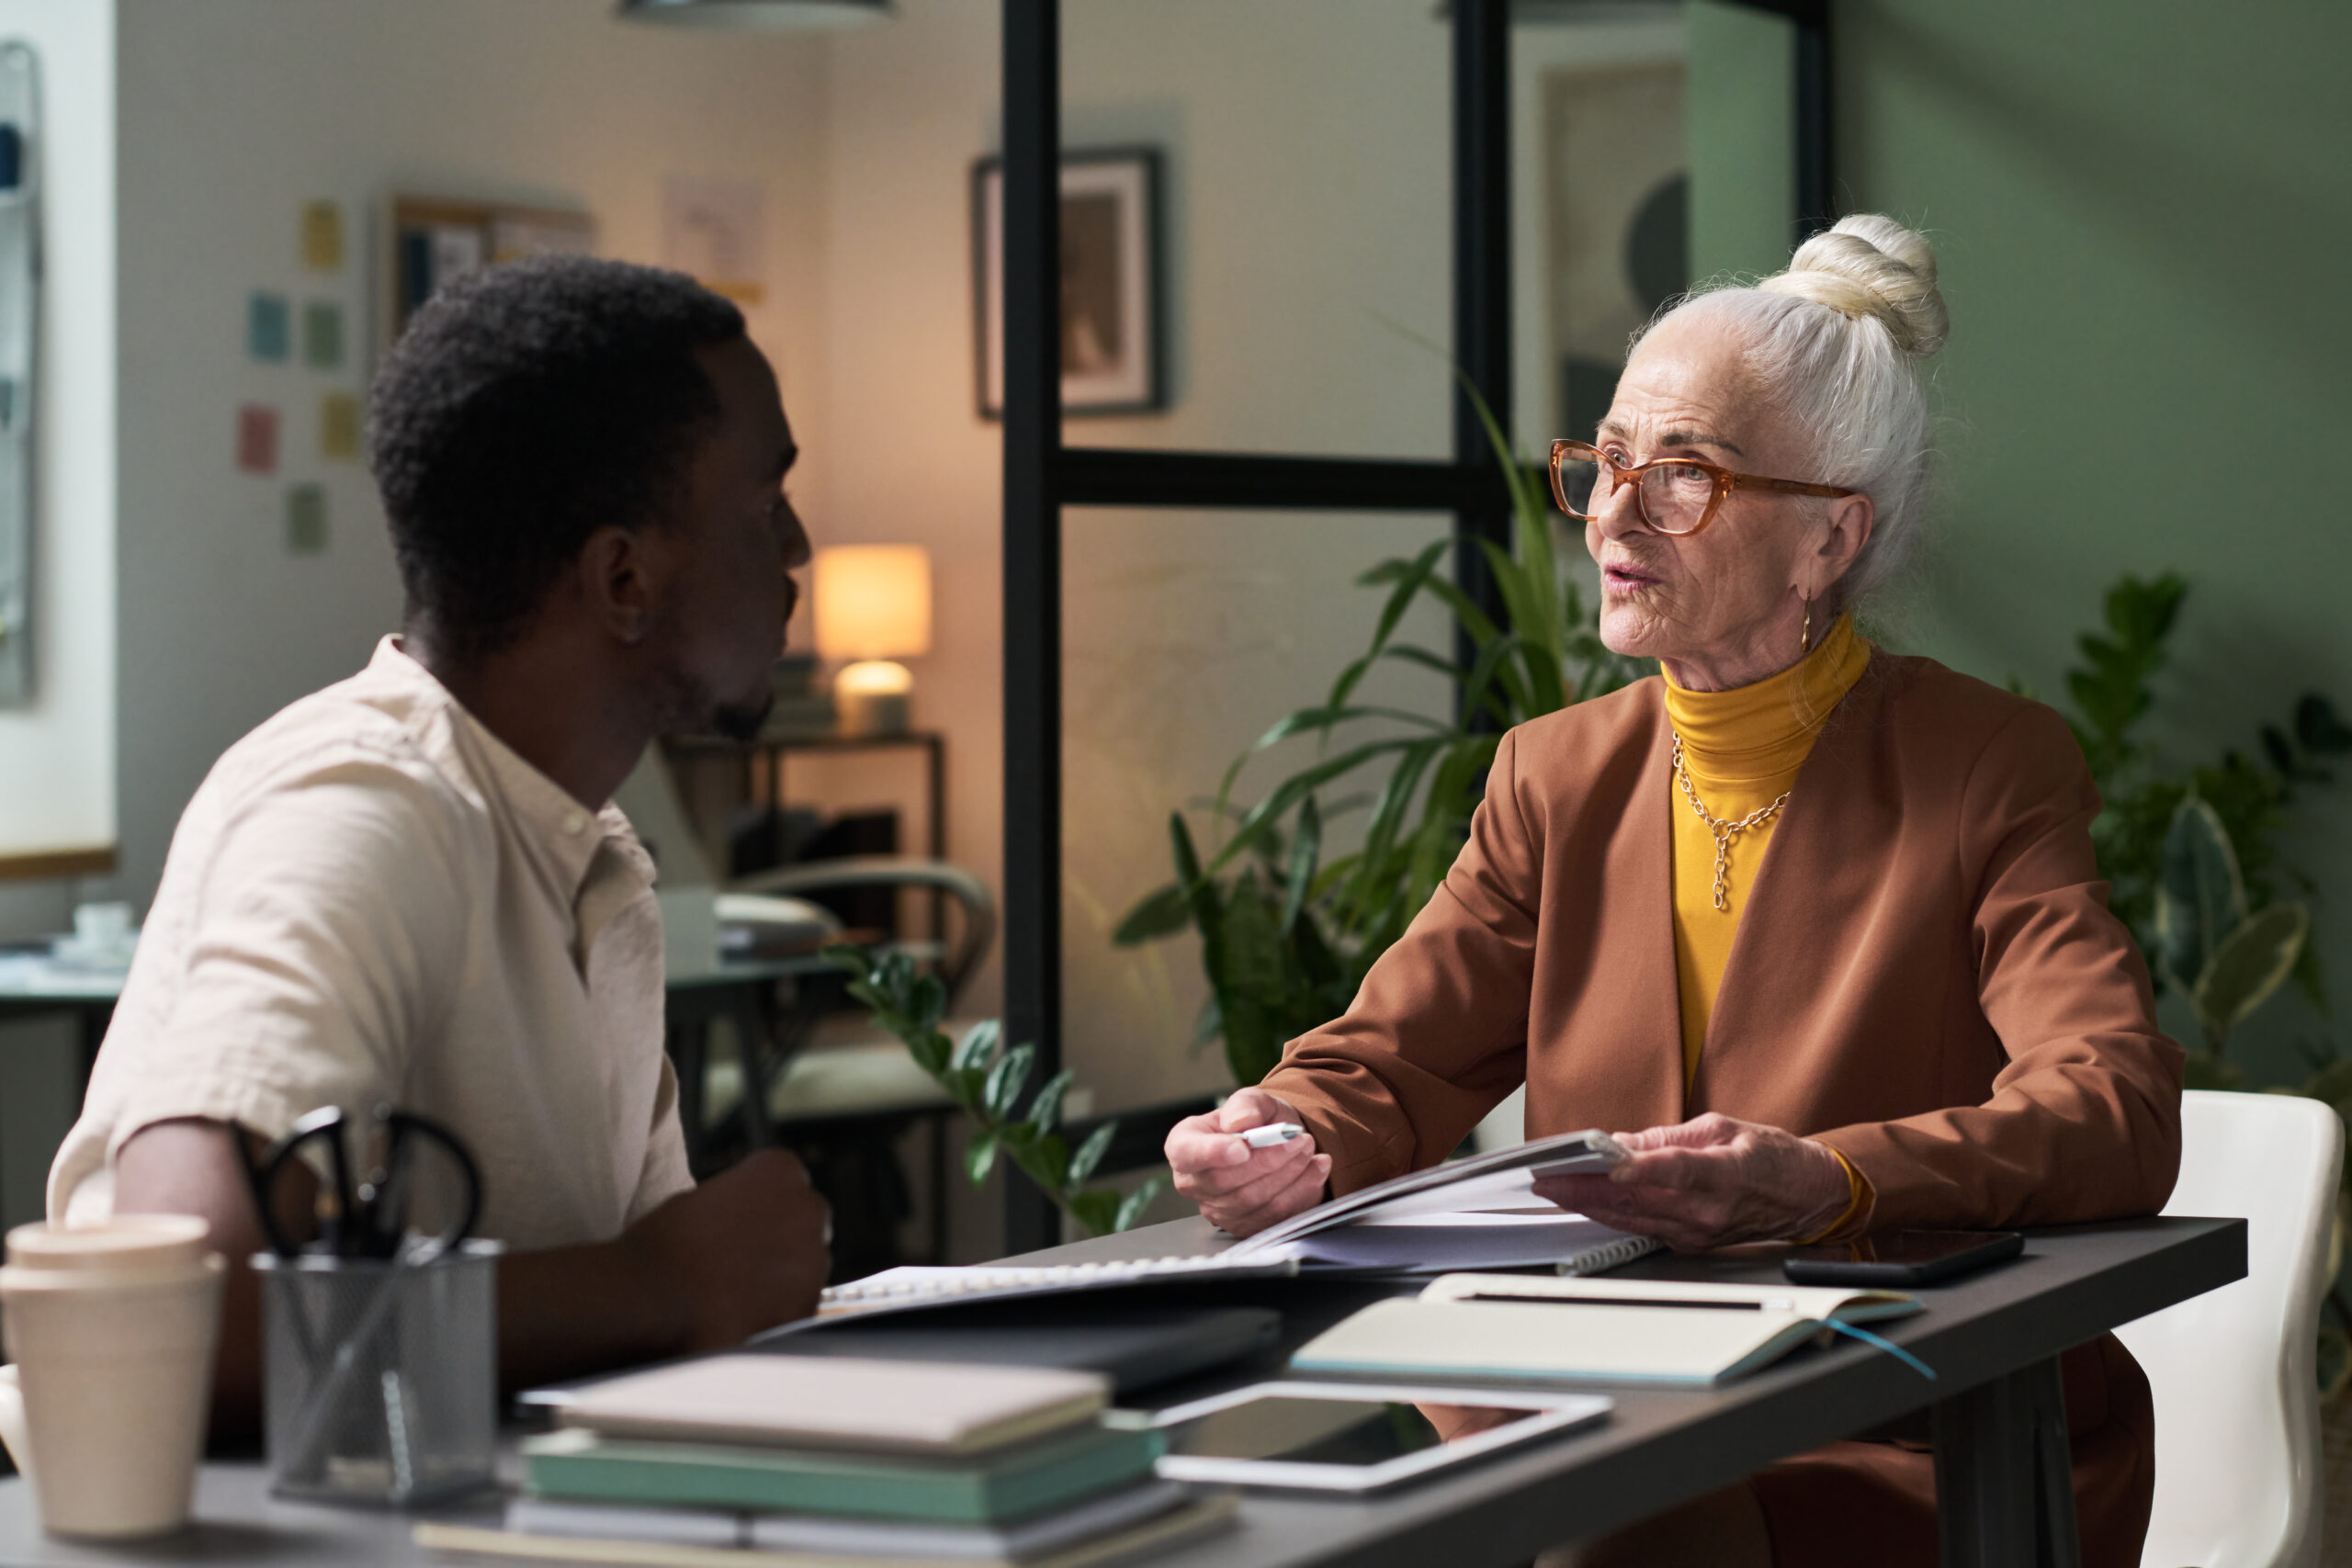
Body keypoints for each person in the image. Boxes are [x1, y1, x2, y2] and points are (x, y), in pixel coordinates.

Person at [1165, 216, 2182, 1567]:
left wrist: (1830, 1181)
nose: (1612, 515)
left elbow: (2113, 1110)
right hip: (1621, 1394)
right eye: (1606, 462)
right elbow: (1390, 1061)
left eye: (1683, 475)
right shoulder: (1552, 775)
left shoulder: (1988, 765)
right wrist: (1279, 1130)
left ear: (1829, 537)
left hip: (1903, 1424)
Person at [48, 256, 832, 1438]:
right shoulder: (363, 807)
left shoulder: (590, 861)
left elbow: (638, 1336)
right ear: (624, 577)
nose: (799, 548)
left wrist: (681, 1295)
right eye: (765, 503)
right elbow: (182, 1307)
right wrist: (662, 1281)